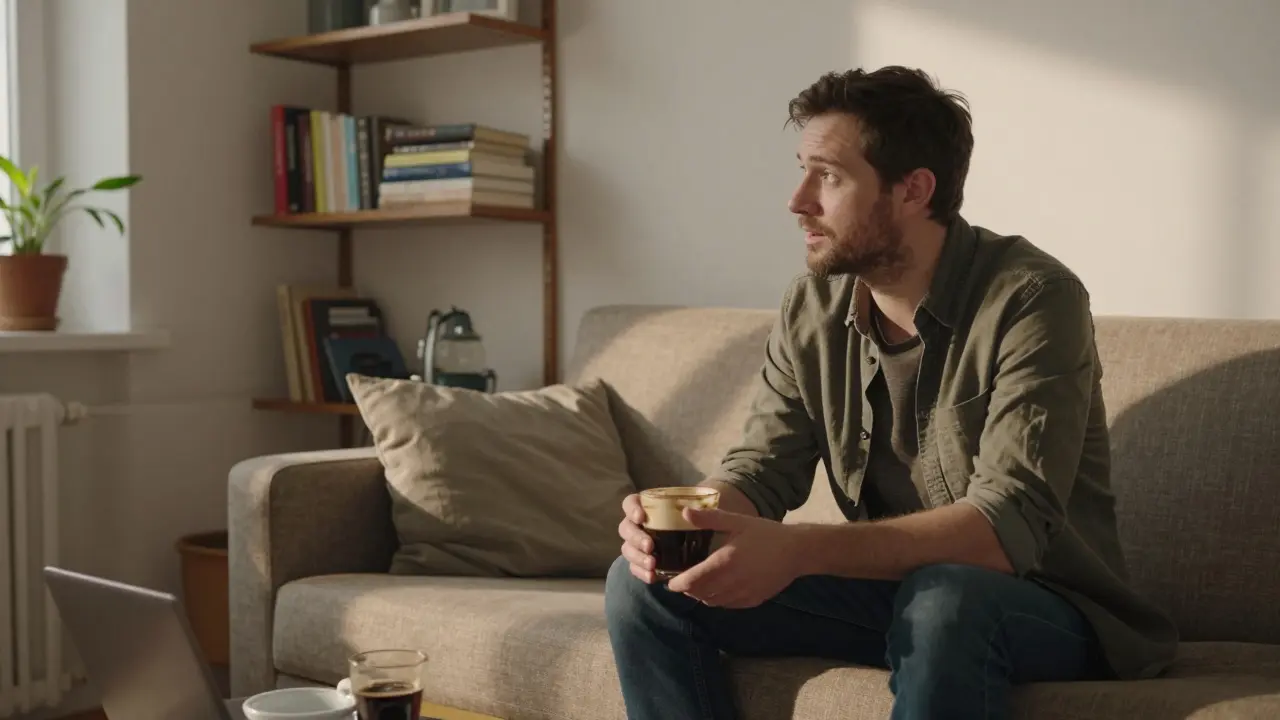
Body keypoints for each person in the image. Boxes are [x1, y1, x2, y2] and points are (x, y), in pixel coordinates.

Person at [603, 66, 1179, 720]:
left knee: (946, 598)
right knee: (647, 584)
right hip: (897, 596)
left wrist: (795, 549)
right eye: (803, 171)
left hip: (1042, 606)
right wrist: (686, 526)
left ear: (913, 189)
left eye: (828, 176)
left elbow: (1005, 526)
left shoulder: (1032, 299)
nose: (798, 201)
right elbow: (762, 466)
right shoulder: (812, 306)